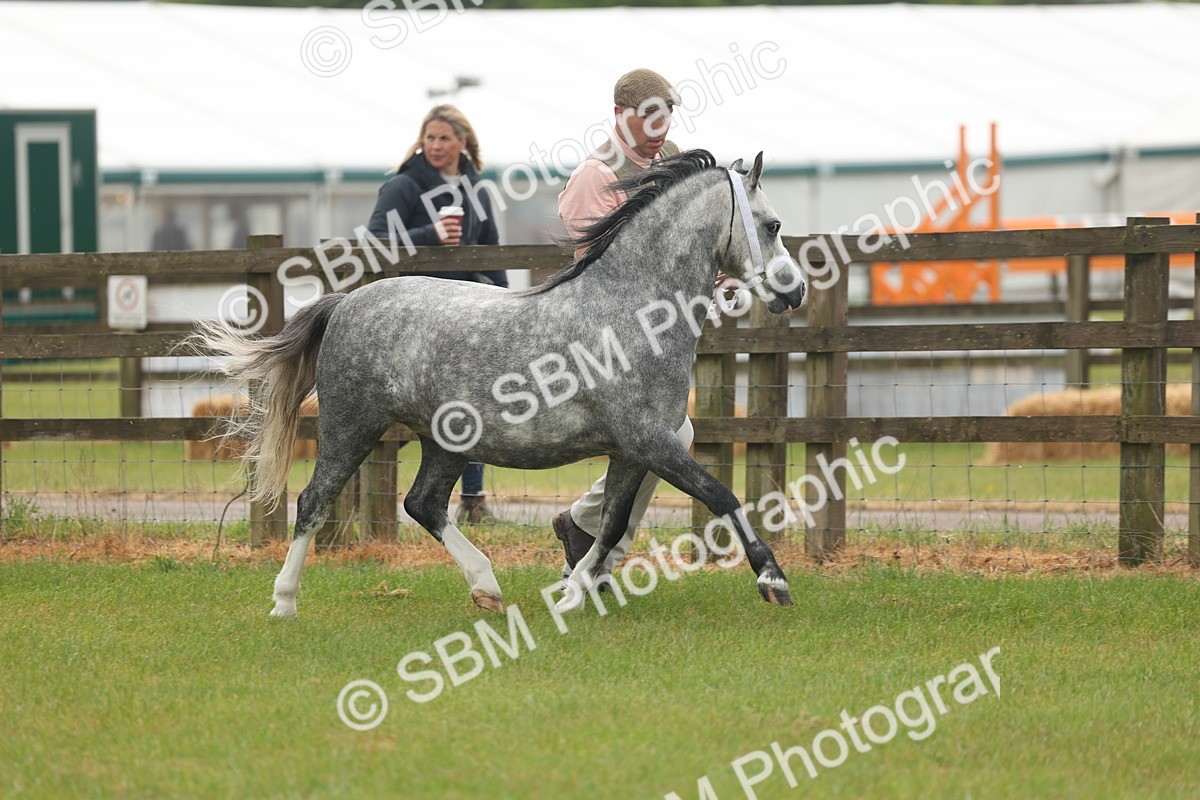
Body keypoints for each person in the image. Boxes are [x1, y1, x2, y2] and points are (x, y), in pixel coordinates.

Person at [552, 68, 696, 584]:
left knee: (675, 434)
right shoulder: (596, 176)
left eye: (667, 112)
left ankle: (586, 534)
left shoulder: (673, 162)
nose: (660, 124)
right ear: (620, 115)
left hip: (652, 333)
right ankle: (593, 546)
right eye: (648, 113)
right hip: (602, 333)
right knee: (671, 435)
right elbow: (603, 267)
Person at [366, 104, 507, 524]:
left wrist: (505, 304)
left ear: (463, 143)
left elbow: (491, 252)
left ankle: (473, 500)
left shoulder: (478, 191)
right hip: (413, 317)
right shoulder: (404, 186)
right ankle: (362, 483)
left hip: (466, 315)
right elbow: (373, 238)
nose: (436, 145)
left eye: (445, 138)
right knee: (407, 412)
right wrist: (430, 236)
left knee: (471, 405)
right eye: (430, 137)